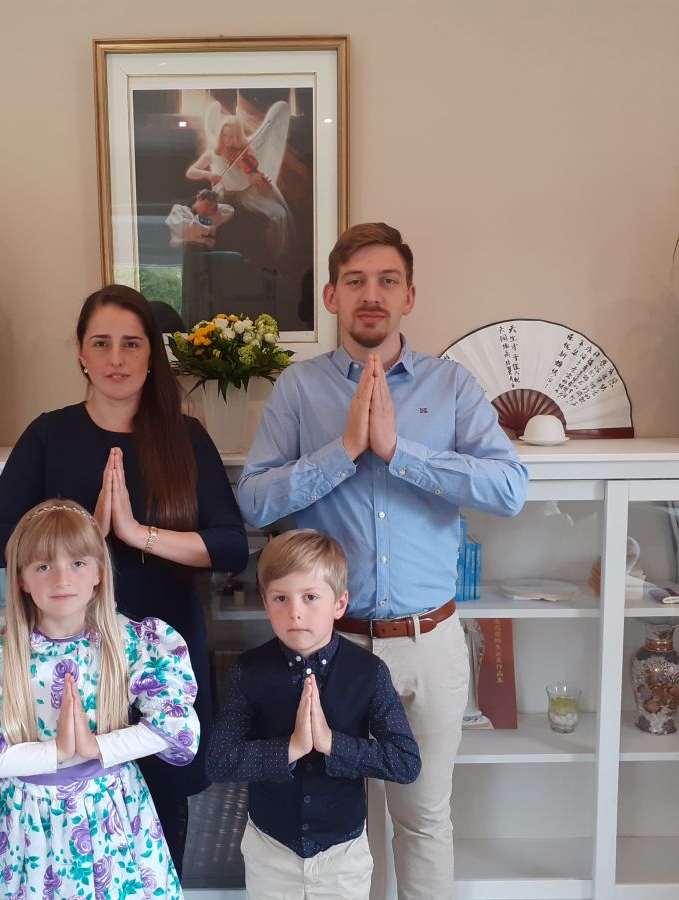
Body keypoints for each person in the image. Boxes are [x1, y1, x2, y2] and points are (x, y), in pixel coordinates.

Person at [237, 223, 529, 898]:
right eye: (357, 281)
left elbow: (510, 489)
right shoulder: (299, 389)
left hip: (430, 643)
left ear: (409, 296)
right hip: (330, 649)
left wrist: (402, 452)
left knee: (424, 819)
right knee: (343, 828)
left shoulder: (451, 386)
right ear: (332, 296)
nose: (372, 295)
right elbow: (254, 500)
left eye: (388, 281)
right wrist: (342, 452)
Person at [0, 284, 249, 876]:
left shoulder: (185, 437)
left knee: (155, 836)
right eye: (101, 343)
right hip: (64, 668)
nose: (116, 359)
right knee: (66, 842)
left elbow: (230, 548)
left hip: (159, 660)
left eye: (131, 344)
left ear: (152, 356)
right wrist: (84, 536)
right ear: (81, 353)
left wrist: (135, 532)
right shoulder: (49, 435)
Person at [0, 499, 200, 899]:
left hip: (113, 816)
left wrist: (97, 748)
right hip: (27, 822)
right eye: (43, 567)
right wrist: (52, 753)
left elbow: (175, 725)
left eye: (77, 563)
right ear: (21, 579)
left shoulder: (131, 643)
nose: (61, 579)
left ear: (99, 573)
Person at [206, 529, 419, 900]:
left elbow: (405, 762)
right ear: (265, 603)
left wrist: (331, 743)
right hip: (270, 851)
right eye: (281, 598)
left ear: (339, 603)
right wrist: (290, 748)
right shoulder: (248, 671)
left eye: (310, 597)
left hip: (343, 856)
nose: (295, 612)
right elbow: (219, 762)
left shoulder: (369, 672)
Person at [186, 102, 292, 260]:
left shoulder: (247, 152)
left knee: (279, 213)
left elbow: (249, 177)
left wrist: (257, 180)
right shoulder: (214, 153)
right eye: (224, 135)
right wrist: (209, 175)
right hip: (222, 195)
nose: (228, 140)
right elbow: (191, 172)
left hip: (246, 195)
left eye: (232, 136)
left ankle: (277, 256)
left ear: (238, 136)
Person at [166, 189, 236, 248]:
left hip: (204, 251)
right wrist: (207, 229)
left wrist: (214, 207)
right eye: (207, 205)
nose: (209, 209)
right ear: (199, 198)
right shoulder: (179, 209)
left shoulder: (211, 217)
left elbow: (229, 210)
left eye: (213, 208)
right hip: (182, 251)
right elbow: (183, 227)